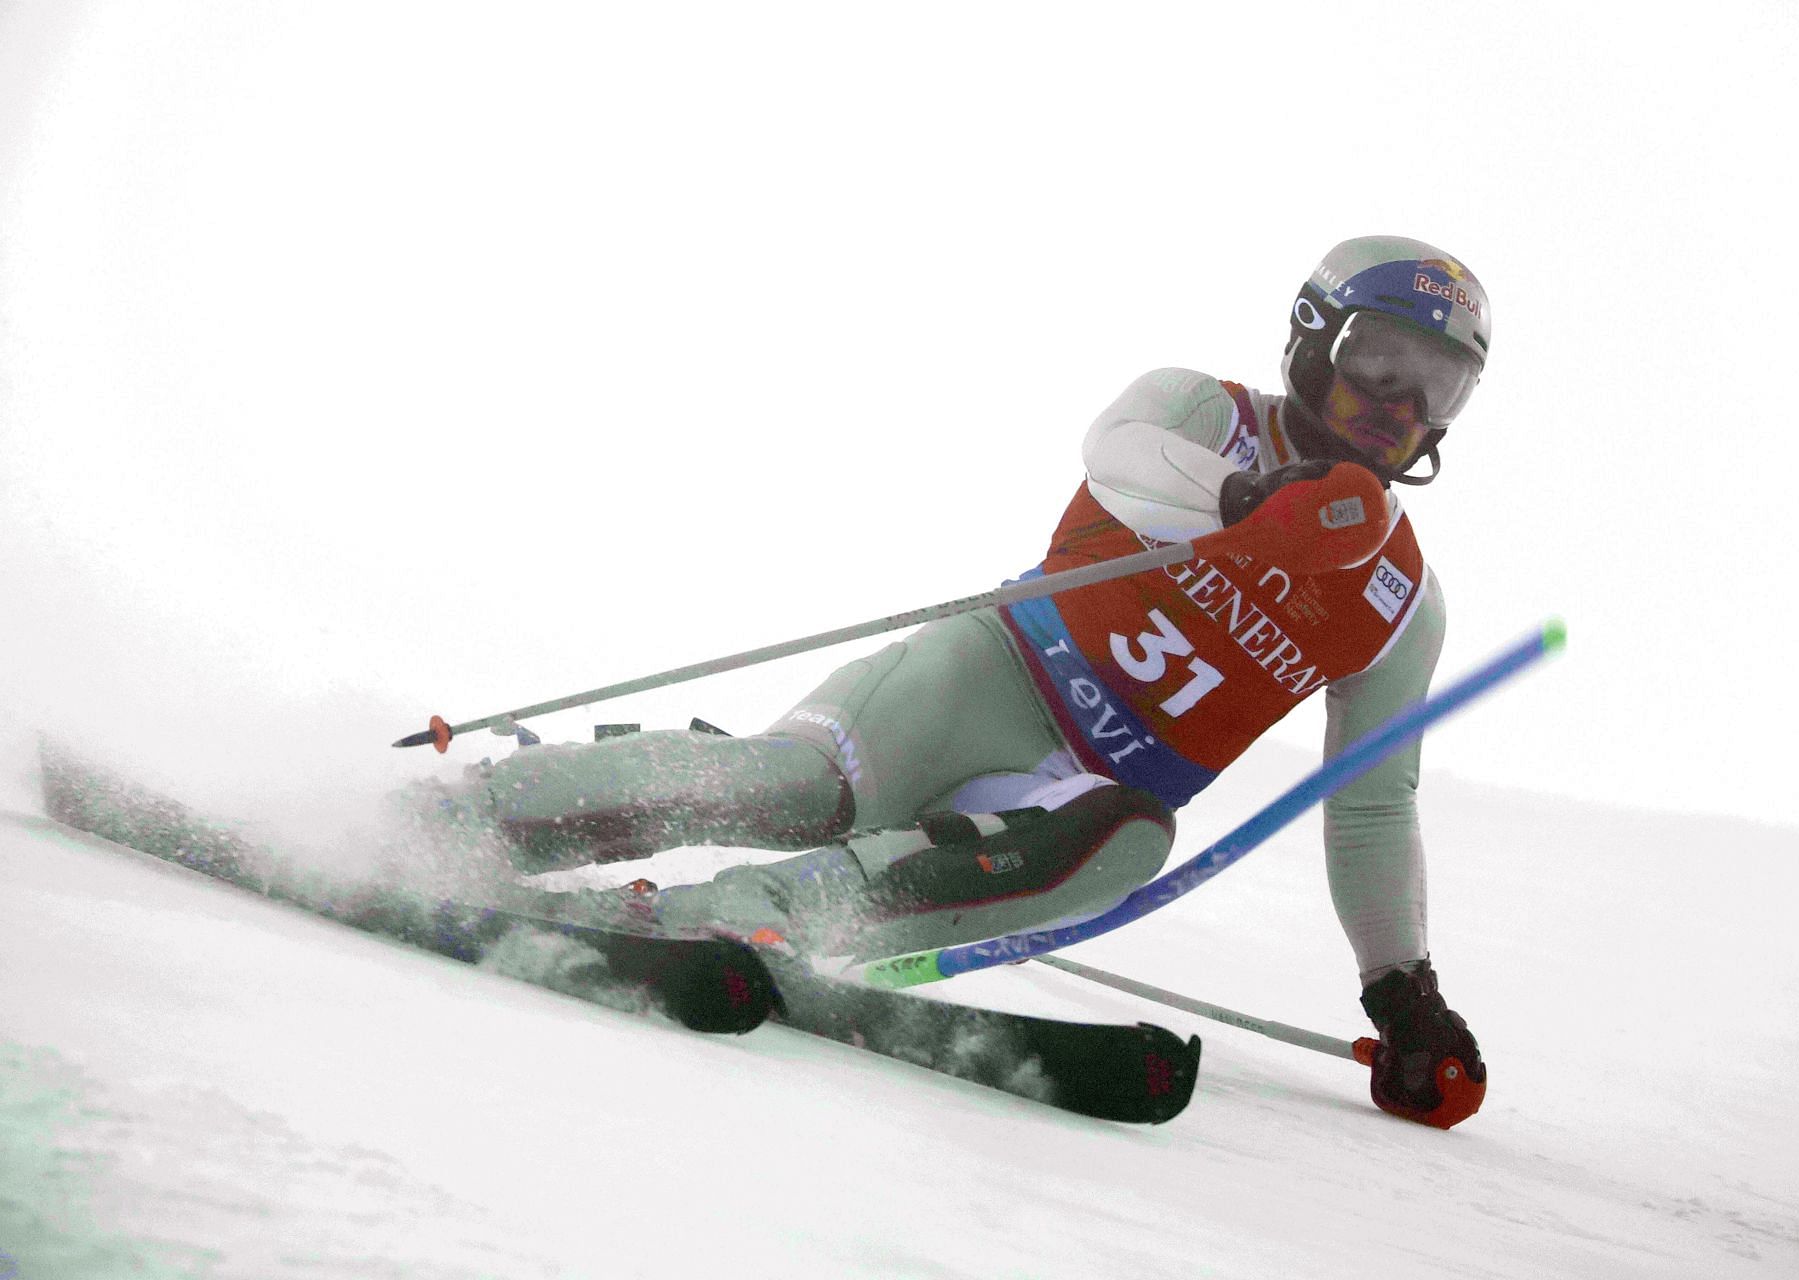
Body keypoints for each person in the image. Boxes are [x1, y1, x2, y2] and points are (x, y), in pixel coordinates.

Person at [425, 235, 1490, 1127]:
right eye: (1378, 357)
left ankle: (737, 916)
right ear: (1311, 339)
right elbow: (1116, 450)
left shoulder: (1400, 601)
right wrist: (1249, 499)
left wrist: (1402, 989)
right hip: (980, 679)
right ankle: (472, 812)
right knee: (799, 787)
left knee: (1126, 838)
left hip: (1064, 800)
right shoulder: (1203, 412)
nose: (1399, 402)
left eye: (1437, 384)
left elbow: (1372, 803)